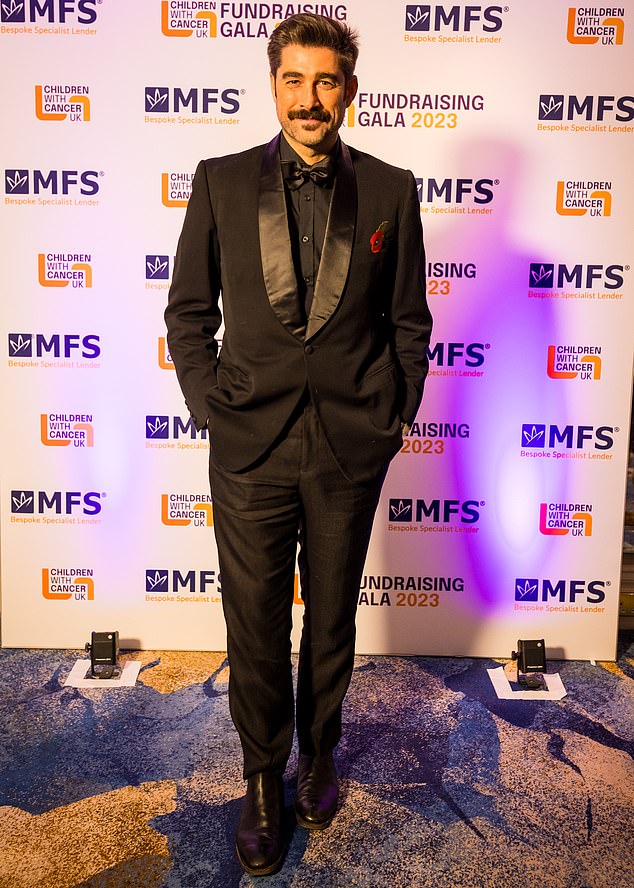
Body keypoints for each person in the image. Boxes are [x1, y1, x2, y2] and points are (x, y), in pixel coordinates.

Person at [165, 13, 432, 876]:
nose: (309, 98)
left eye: (326, 81)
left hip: (351, 445)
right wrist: (212, 406)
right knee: (252, 625)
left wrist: (395, 418)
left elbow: (410, 324)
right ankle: (260, 778)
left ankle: (320, 756)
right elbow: (187, 312)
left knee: (329, 622)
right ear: (273, 83)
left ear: (348, 89)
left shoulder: (391, 190)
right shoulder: (220, 180)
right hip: (250, 446)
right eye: (294, 79)